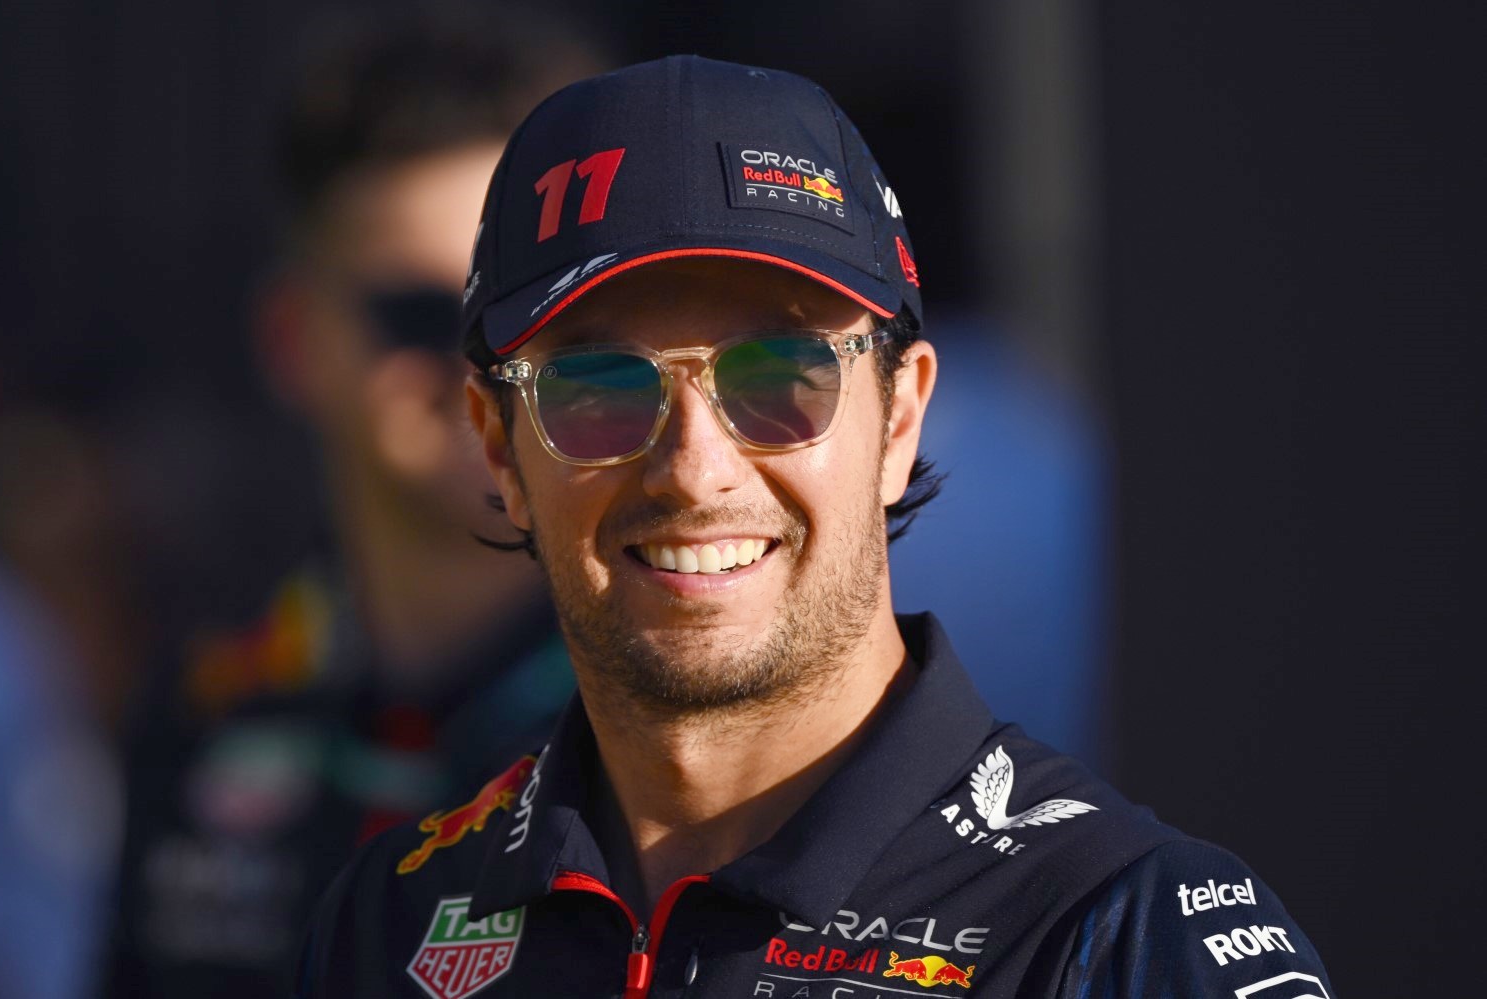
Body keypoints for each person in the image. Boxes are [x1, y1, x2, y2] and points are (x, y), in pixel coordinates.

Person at [298, 56, 1334, 998]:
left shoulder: (1121, 937)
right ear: (499, 449)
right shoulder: (387, 925)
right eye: (599, 387)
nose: (695, 470)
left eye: (779, 378)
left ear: (899, 417)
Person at [101, 11, 599, 998]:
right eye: (421, 315)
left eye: (533, 307)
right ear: (295, 339)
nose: (484, 367)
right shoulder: (205, 709)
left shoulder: (679, 722)